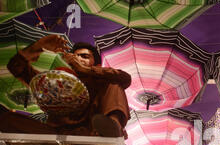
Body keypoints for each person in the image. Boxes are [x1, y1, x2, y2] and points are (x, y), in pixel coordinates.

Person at [1, 34, 131, 138]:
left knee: (114, 84)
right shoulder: (56, 82)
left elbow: (125, 78)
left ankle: (114, 127)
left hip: (92, 133)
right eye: (75, 56)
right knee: (7, 120)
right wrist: (36, 48)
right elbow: (15, 67)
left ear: (96, 65)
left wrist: (83, 70)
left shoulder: (102, 83)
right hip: (56, 134)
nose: (78, 59)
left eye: (84, 56)